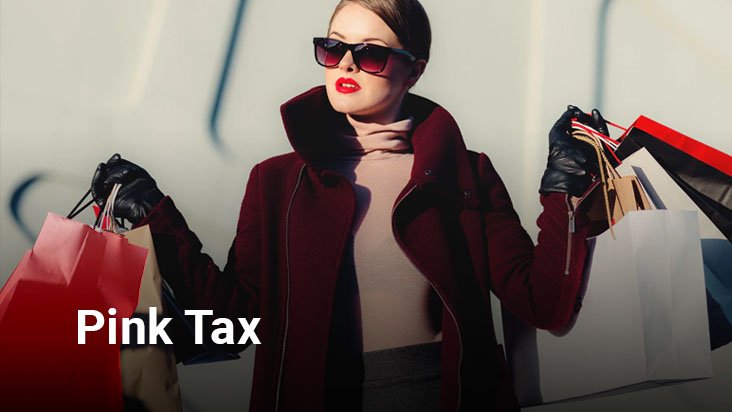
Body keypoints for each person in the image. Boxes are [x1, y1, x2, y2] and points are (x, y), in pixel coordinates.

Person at [90, 1, 609, 411]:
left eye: (371, 54)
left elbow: (544, 302)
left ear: (414, 70)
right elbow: (236, 316)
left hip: (443, 395)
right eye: (333, 48)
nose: (347, 66)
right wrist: (155, 217)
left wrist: (564, 186)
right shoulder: (276, 182)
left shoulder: (464, 173)